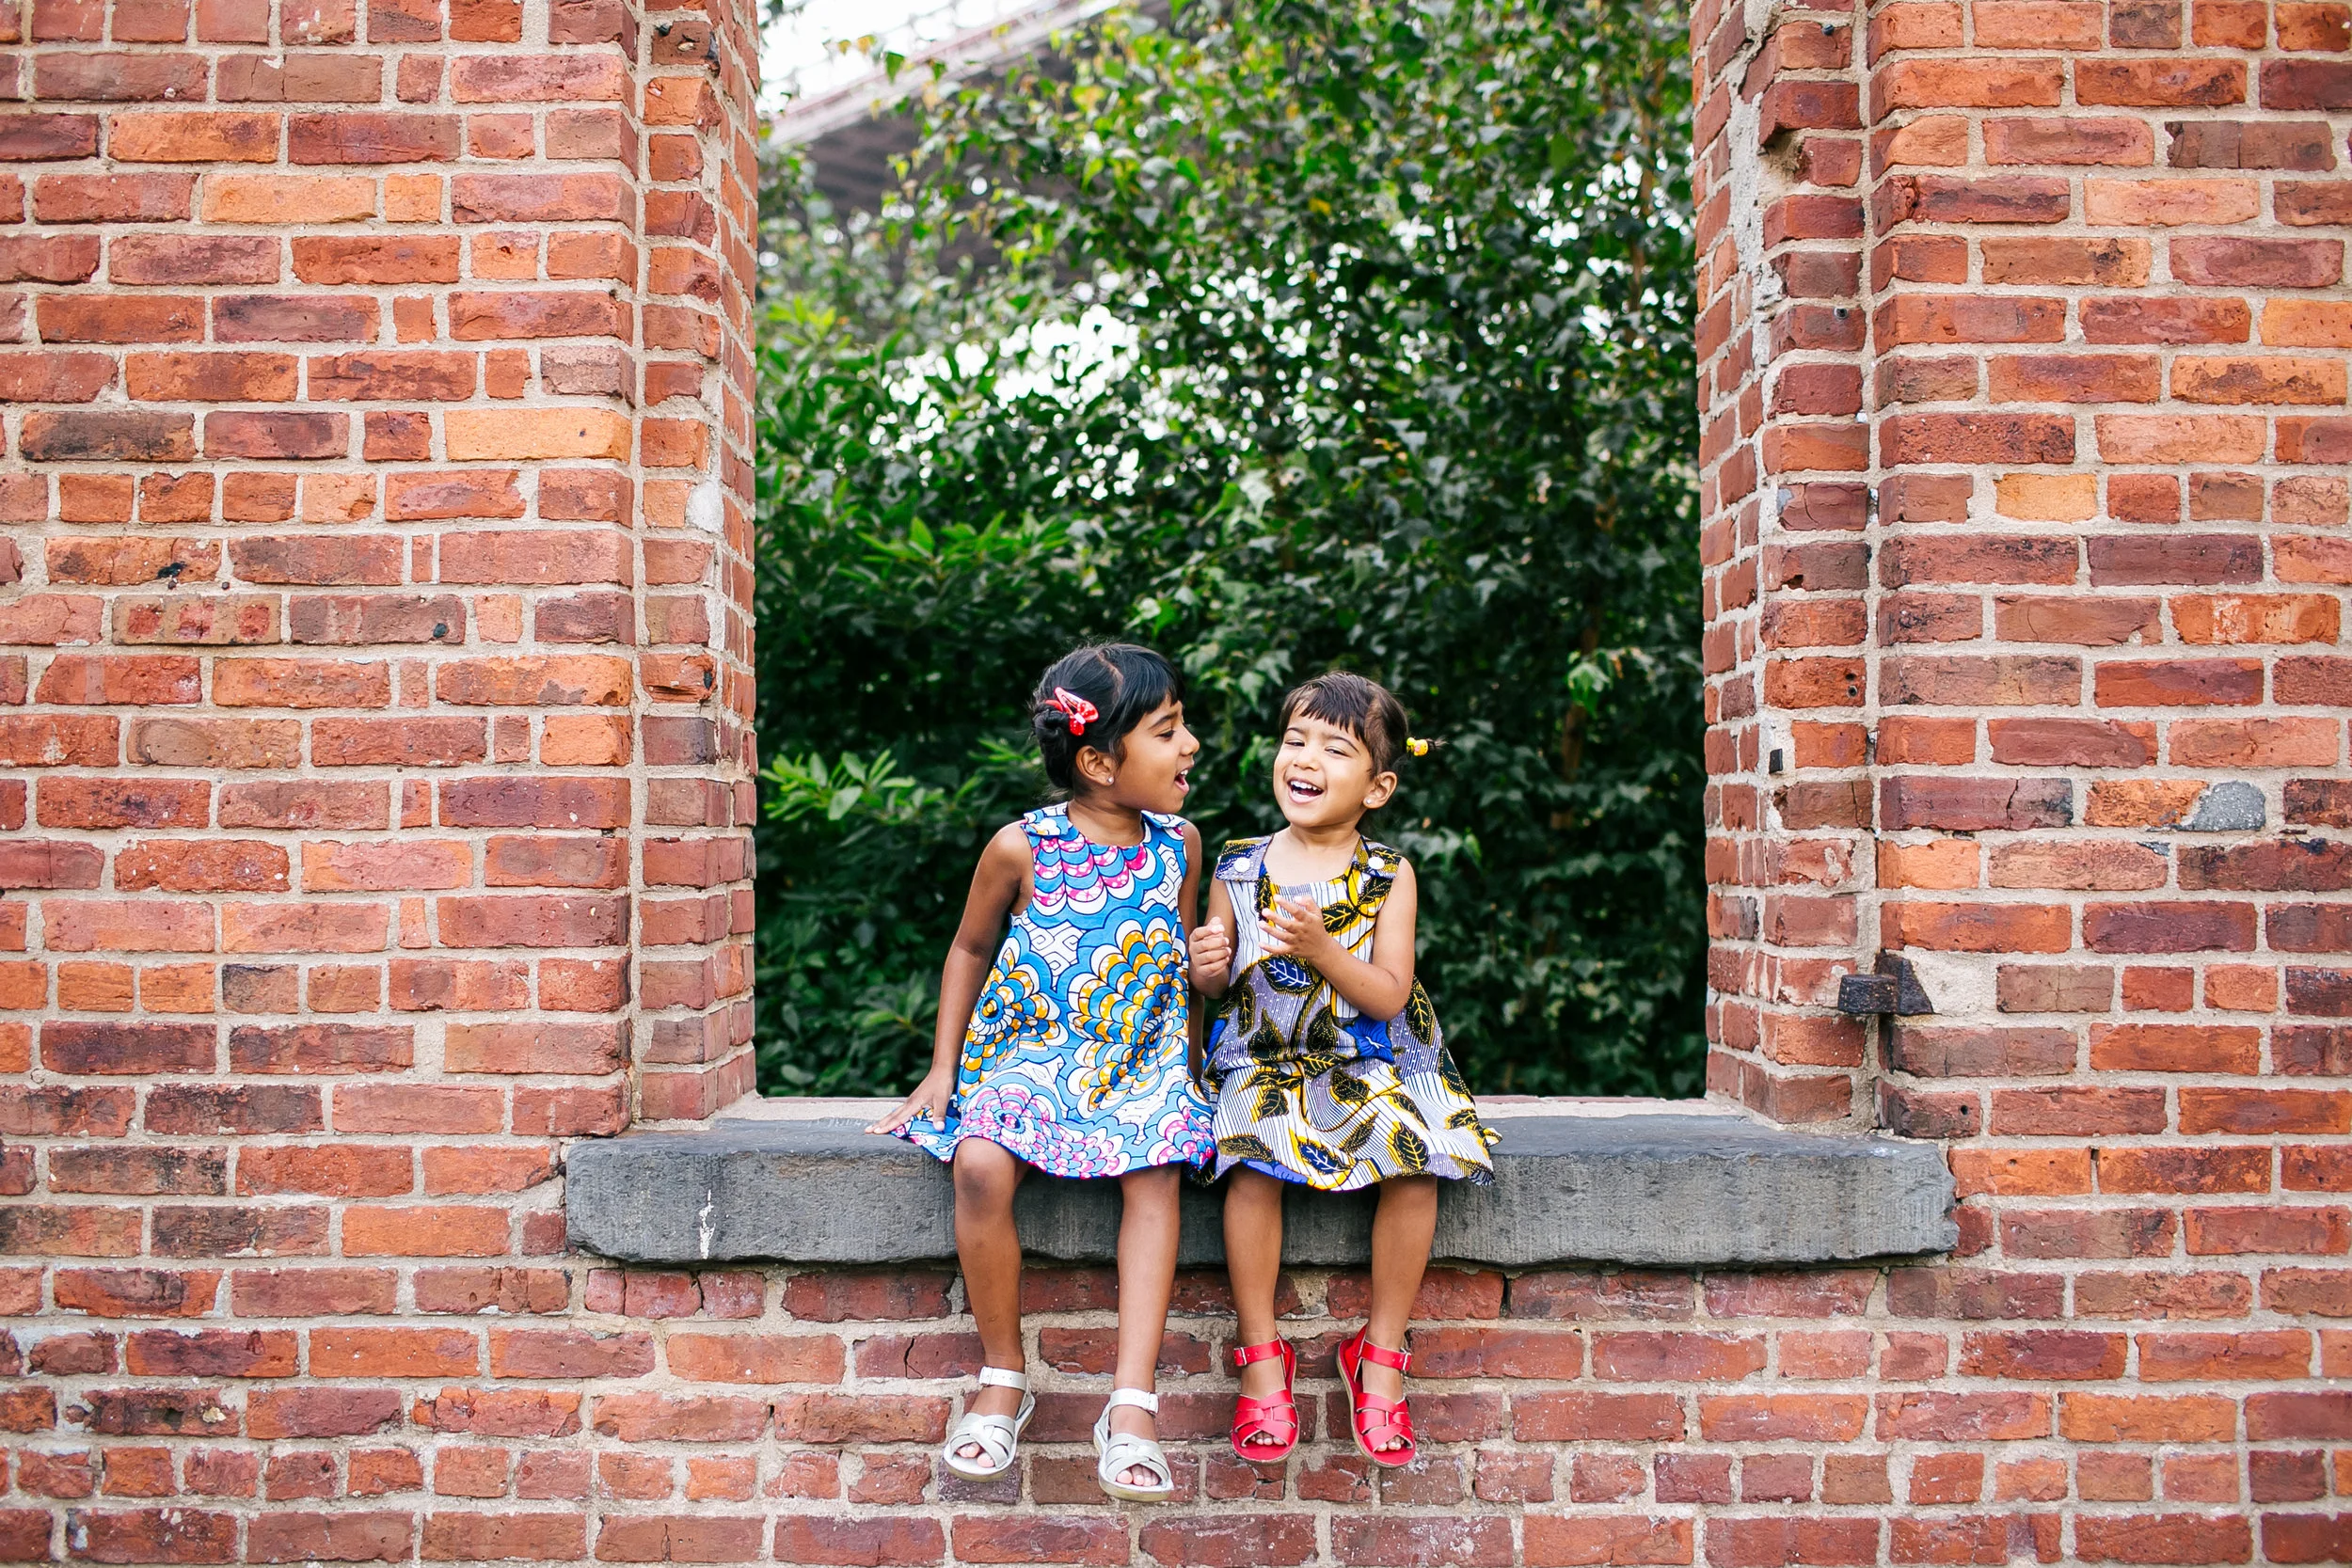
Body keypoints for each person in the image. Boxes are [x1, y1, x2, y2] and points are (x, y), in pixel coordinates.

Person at [870, 643, 1215, 1502]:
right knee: (980, 1162)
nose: (1192, 746)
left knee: (1158, 1167)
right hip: (1033, 1054)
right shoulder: (1022, 846)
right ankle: (1003, 1379)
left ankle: (1130, 1407)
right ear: (1099, 762)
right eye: (1169, 731)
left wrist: (1193, 1062)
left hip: (1140, 1061)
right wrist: (942, 1069)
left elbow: (1182, 973)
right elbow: (969, 947)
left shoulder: (1182, 845)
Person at [1188, 671, 1497, 1469]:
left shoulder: (1389, 874)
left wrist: (1325, 949)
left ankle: (1382, 1353)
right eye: (1296, 741)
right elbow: (1218, 985)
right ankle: (1261, 1355)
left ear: (1379, 786)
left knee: (1414, 1156)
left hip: (1363, 1059)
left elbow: (1390, 995)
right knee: (1250, 1159)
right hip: (1263, 1057)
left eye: (1336, 747)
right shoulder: (1238, 864)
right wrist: (1207, 960)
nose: (1307, 758)